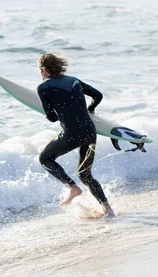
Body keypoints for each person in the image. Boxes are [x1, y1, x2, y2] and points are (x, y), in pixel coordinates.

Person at [37, 53, 115, 217]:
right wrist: (91, 109)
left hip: (71, 134)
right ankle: (108, 209)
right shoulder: (74, 80)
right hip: (90, 131)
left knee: (45, 158)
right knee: (86, 174)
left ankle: (71, 186)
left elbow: (51, 118)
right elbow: (98, 96)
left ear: (44, 70)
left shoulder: (43, 87)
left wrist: (51, 110)